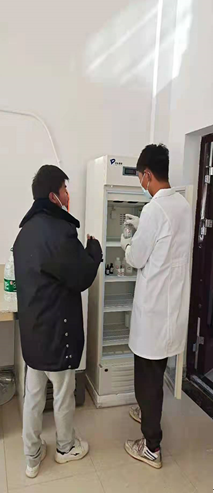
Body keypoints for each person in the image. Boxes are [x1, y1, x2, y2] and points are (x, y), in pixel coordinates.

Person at [13, 164, 102, 478]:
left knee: (34, 396)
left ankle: (32, 455)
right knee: (63, 393)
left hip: (33, 332)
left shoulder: (25, 233)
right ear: (53, 196)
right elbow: (81, 276)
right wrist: (94, 250)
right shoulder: (59, 232)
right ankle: (65, 447)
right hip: (57, 331)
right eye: (65, 189)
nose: (68, 194)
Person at [120, 144, 192, 469]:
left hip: (153, 312)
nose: (141, 182)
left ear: (147, 174)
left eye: (140, 177)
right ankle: (147, 411)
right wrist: (143, 225)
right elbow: (167, 243)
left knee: (146, 378)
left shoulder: (154, 209)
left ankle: (151, 447)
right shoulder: (183, 206)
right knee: (156, 371)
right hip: (172, 309)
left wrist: (127, 242)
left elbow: (137, 258)